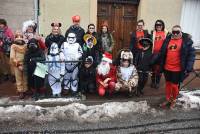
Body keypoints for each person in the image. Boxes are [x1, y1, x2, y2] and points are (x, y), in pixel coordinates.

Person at [159, 25, 195, 109]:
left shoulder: (186, 41)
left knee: (174, 86)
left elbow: (191, 55)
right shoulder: (167, 40)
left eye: (177, 32)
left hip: (177, 68)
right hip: (167, 67)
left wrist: (189, 67)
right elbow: (162, 52)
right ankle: (168, 99)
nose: (175, 34)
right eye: (173, 32)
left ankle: (174, 100)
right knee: (168, 84)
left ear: (181, 32)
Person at [60, 32, 83, 96]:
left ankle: (74, 89)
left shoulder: (77, 45)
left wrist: (77, 57)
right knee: (66, 77)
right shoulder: (64, 44)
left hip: (75, 64)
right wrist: (62, 56)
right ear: (67, 38)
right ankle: (66, 88)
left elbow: (81, 52)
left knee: (74, 77)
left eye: (72, 38)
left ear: (75, 38)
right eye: (69, 37)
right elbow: (61, 51)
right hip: (66, 63)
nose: (70, 39)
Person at [150, 20, 169, 89]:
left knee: (159, 69)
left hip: (161, 55)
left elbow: (178, 33)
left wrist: (186, 35)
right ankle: (152, 82)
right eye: (157, 25)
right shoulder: (152, 33)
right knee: (153, 69)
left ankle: (157, 82)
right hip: (153, 54)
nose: (158, 26)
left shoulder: (167, 33)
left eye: (160, 25)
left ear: (162, 25)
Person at [10, 31, 27, 99]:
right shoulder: (13, 46)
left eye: (20, 36)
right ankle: (21, 91)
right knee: (19, 78)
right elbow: (12, 57)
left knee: (25, 78)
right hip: (17, 64)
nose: (19, 38)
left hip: (25, 64)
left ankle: (25, 90)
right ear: (15, 38)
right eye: (17, 36)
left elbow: (27, 55)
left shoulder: (25, 46)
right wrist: (18, 65)